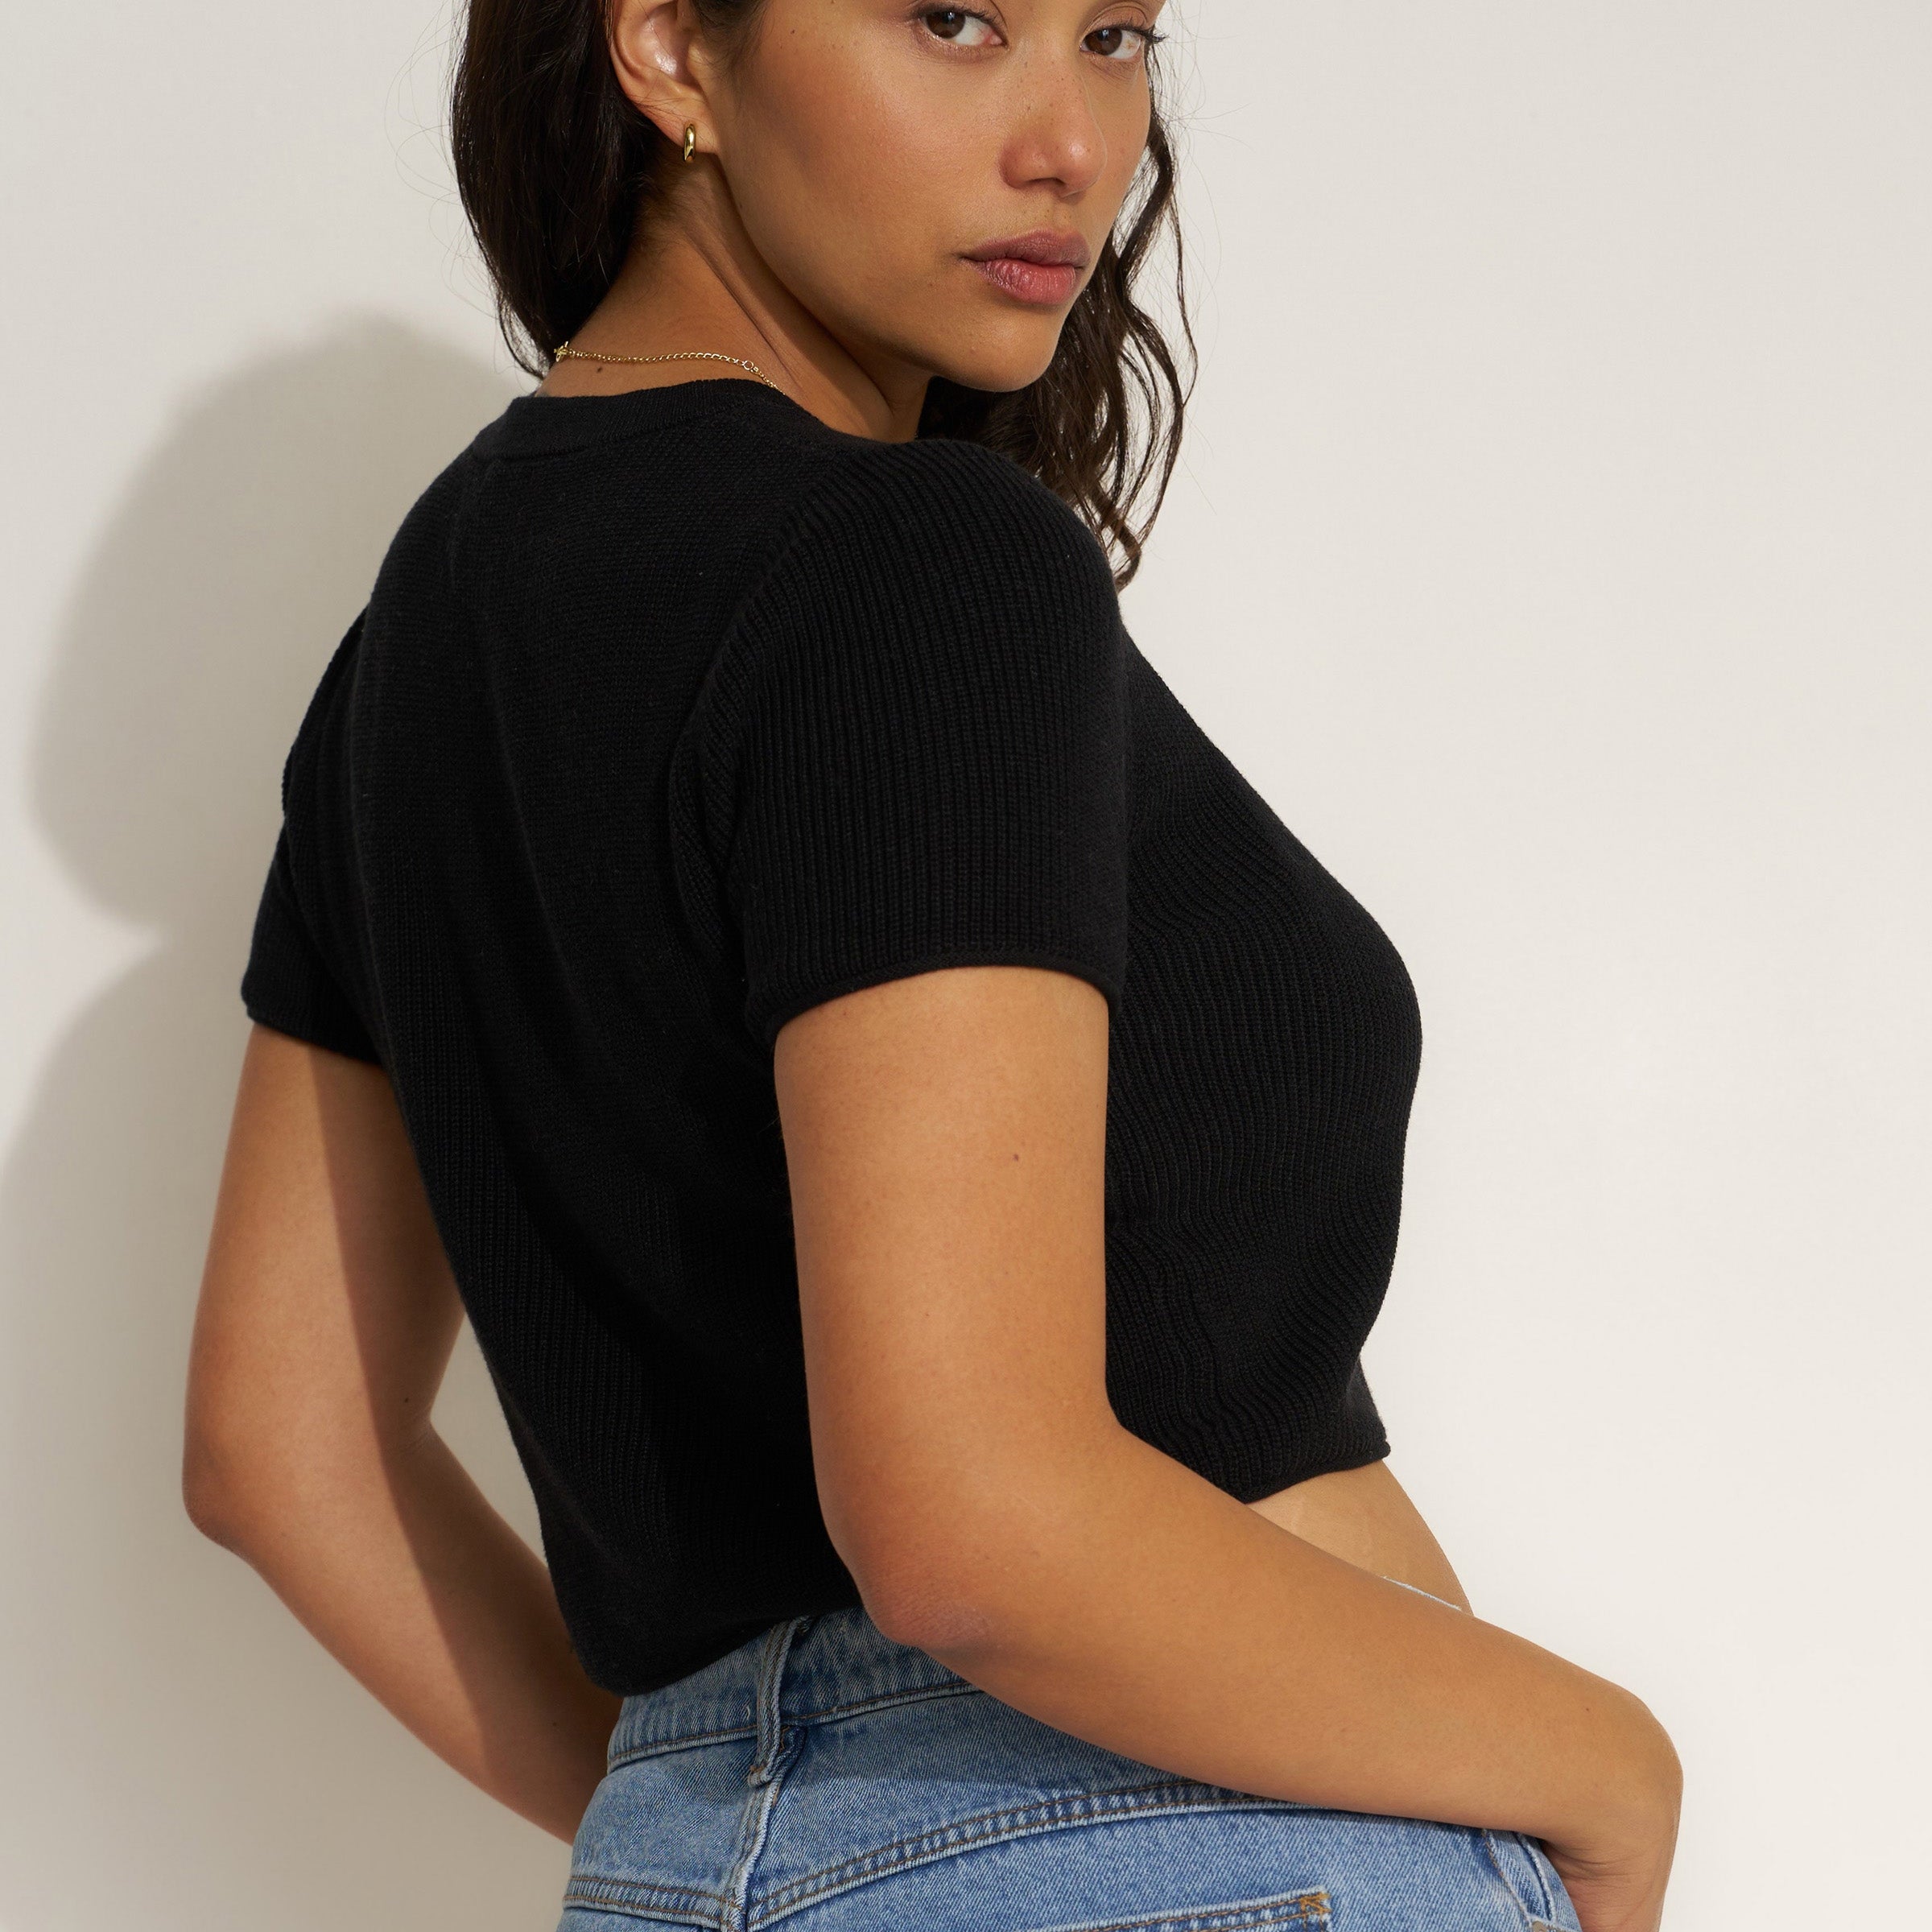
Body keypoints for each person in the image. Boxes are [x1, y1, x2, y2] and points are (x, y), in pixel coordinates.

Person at [183, 1, 1682, 1927]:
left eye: (1114, 35)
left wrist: (747, 1836)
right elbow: (975, 1522)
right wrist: (1610, 1773)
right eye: (955, 20)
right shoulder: (920, 564)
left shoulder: (408, 658)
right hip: (1201, 1839)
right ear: (671, 47)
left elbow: (278, 1449)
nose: (1070, 143)